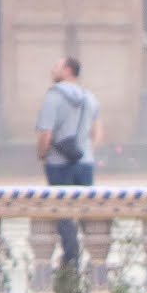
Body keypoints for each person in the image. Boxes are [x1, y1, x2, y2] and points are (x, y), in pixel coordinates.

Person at [36, 57, 99, 268]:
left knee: (63, 211)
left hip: (58, 163)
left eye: (57, 66)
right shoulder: (89, 97)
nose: (52, 69)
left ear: (68, 70)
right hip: (85, 161)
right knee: (86, 212)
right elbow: (97, 132)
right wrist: (88, 152)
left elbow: (46, 133)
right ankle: (97, 257)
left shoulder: (53, 96)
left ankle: (71, 260)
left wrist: (42, 154)